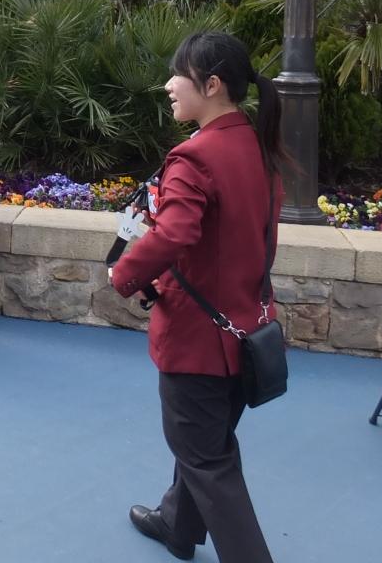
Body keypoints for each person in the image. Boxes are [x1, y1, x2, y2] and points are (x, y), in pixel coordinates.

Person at [109, 31, 283, 563]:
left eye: (178, 75)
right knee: (206, 443)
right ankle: (177, 524)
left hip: (199, 341)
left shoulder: (196, 156)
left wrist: (124, 274)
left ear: (211, 85)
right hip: (247, 330)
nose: (168, 85)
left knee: (208, 459)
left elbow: (175, 233)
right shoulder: (256, 144)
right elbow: (225, 240)